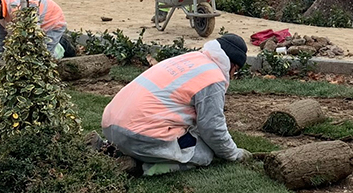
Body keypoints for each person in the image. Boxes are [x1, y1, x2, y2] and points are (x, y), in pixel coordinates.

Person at [100, 34, 252, 175]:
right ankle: (143, 168)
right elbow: (212, 128)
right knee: (204, 154)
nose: (232, 76)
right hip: (140, 137)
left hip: (110, 125)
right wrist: (233, 154)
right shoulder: (213, 78)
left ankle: (112, 149)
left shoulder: (191, 58)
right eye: (235, 72)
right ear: (233, 66)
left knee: (192, 134)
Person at [0, 0, 67, 63]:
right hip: (36, 24)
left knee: (44, 58)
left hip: (53, 22)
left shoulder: (18, 8)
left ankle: (63, 46)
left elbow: (32, 36)